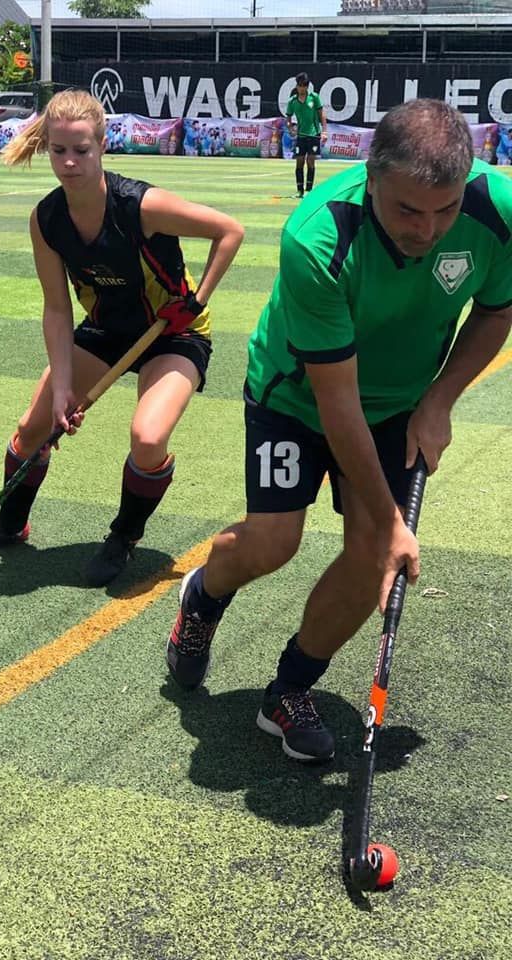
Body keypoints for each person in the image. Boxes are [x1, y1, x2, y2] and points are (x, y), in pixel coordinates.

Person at [166, 99, 512, 763]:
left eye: (443, 211)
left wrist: (439, 402)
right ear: (372, 176)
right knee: (273, 542)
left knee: (370, 557)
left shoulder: (496, 211)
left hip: (400, 403)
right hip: (296, 396)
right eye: (409, 210)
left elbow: (496, 313)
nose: (428, 230)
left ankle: (290, 690)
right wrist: (391, 520)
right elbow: (337, 402)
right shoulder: (318, 237)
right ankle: (203, 597)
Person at [0, 88, 244, 587]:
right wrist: (64, 389)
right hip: (105, 332)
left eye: (81, 151)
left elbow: (229, 232)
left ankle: (123, 537)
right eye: (59, 151)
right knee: (33, 428)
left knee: (148, 437)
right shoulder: (47, 219)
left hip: (172, 335)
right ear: (46, 147)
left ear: (103, 145)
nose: (69, 163)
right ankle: (11, 524)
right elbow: (56, 307)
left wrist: (196, 300)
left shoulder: (142, 205)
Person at [286, 72, 327, 199]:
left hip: (314, 134)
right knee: (299, 162)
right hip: (301, 136)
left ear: (307, 86)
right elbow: (288, 118)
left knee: (310, 161)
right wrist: (290, 127)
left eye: (304, 85)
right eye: (300, 85)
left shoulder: (314, 97)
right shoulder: (292, 101)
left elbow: (322, 115)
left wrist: (324, 131)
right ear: (297, 86)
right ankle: (299, 191)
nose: (302, 88)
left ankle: (309, 190)